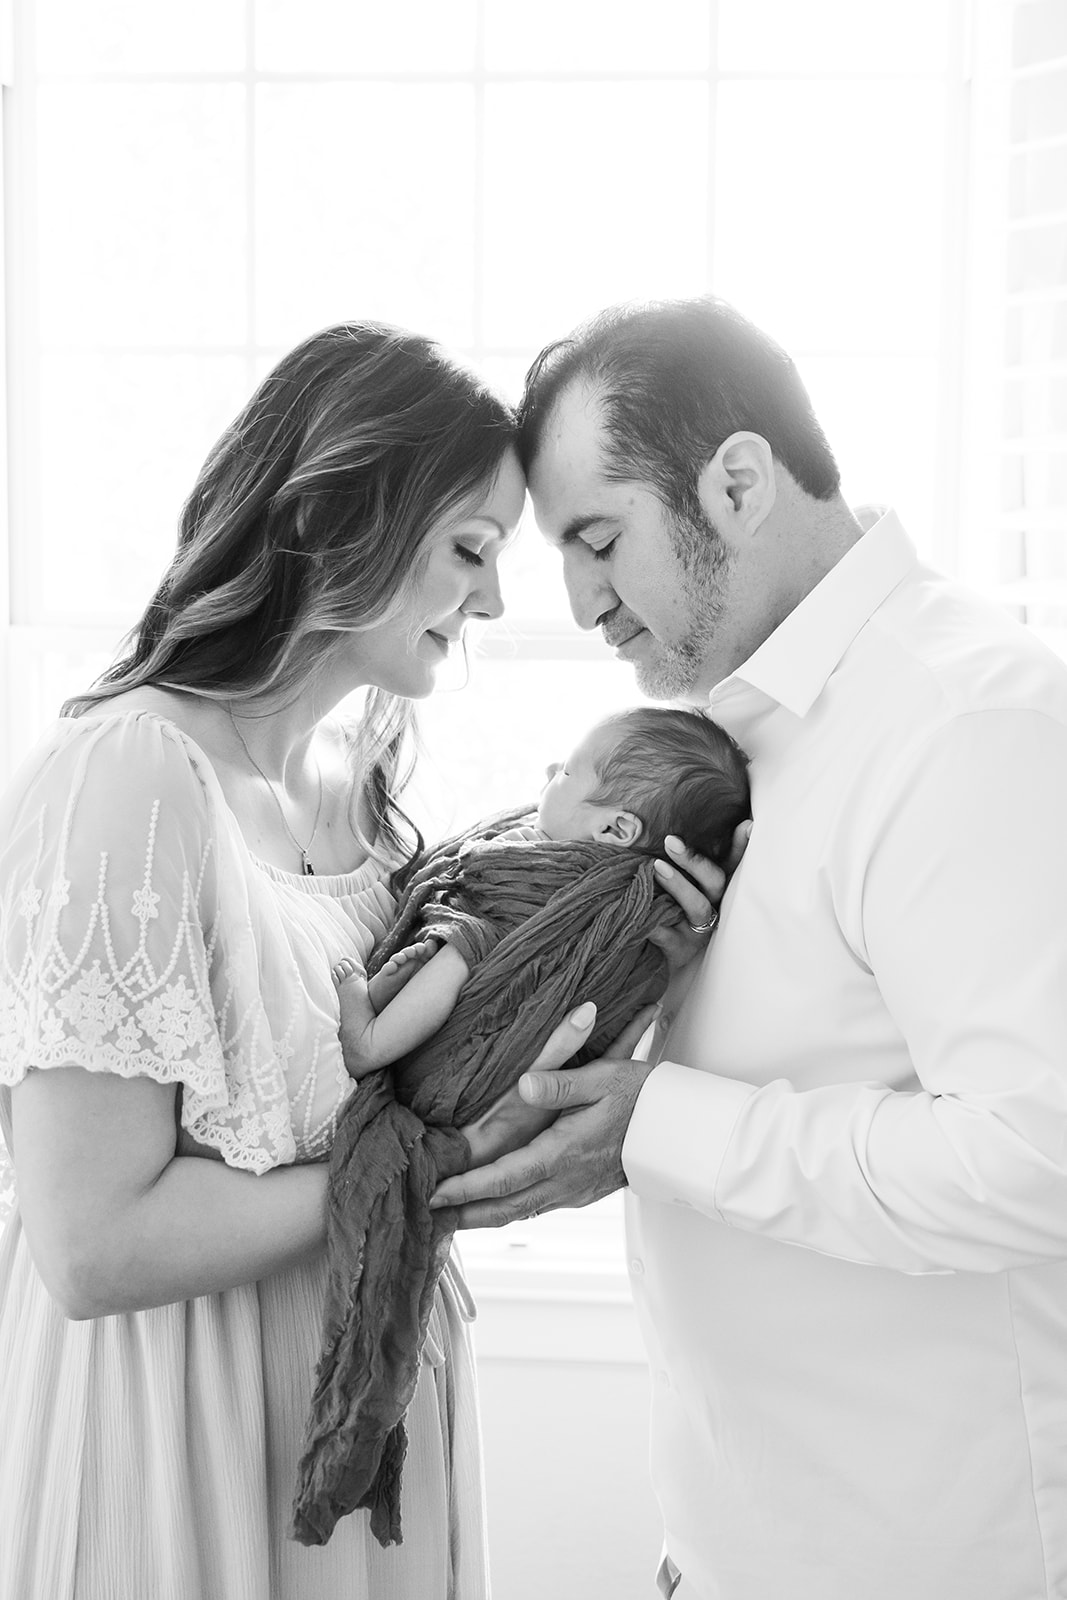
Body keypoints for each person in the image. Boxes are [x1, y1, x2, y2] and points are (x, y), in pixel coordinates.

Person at [0, 319, 716, 1600]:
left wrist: (641, 943)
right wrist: (429, 1173)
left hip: (368, 1385)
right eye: (469, 551)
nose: (496, 602)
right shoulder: (131, 776)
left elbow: (440, 1062)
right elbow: (90, 1242)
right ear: (343, 522)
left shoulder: (359, 796)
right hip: (196, 1425)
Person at [431, 296, 1067, 1600]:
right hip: (725, 1548)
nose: (577, 602)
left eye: (596, 541)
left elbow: (1037, 1157)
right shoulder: (742, 742)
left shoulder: (961, 726)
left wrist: (652, 1127)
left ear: (732, 481)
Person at [335, 705, 749, 1075]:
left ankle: (370, 1043)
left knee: (468, 943)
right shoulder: (598, 860)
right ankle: (396, 995)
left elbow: (488, 874)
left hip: (487, 1039)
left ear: (614, 829)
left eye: (567, 771)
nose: (551, 770)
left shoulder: (590, 887)